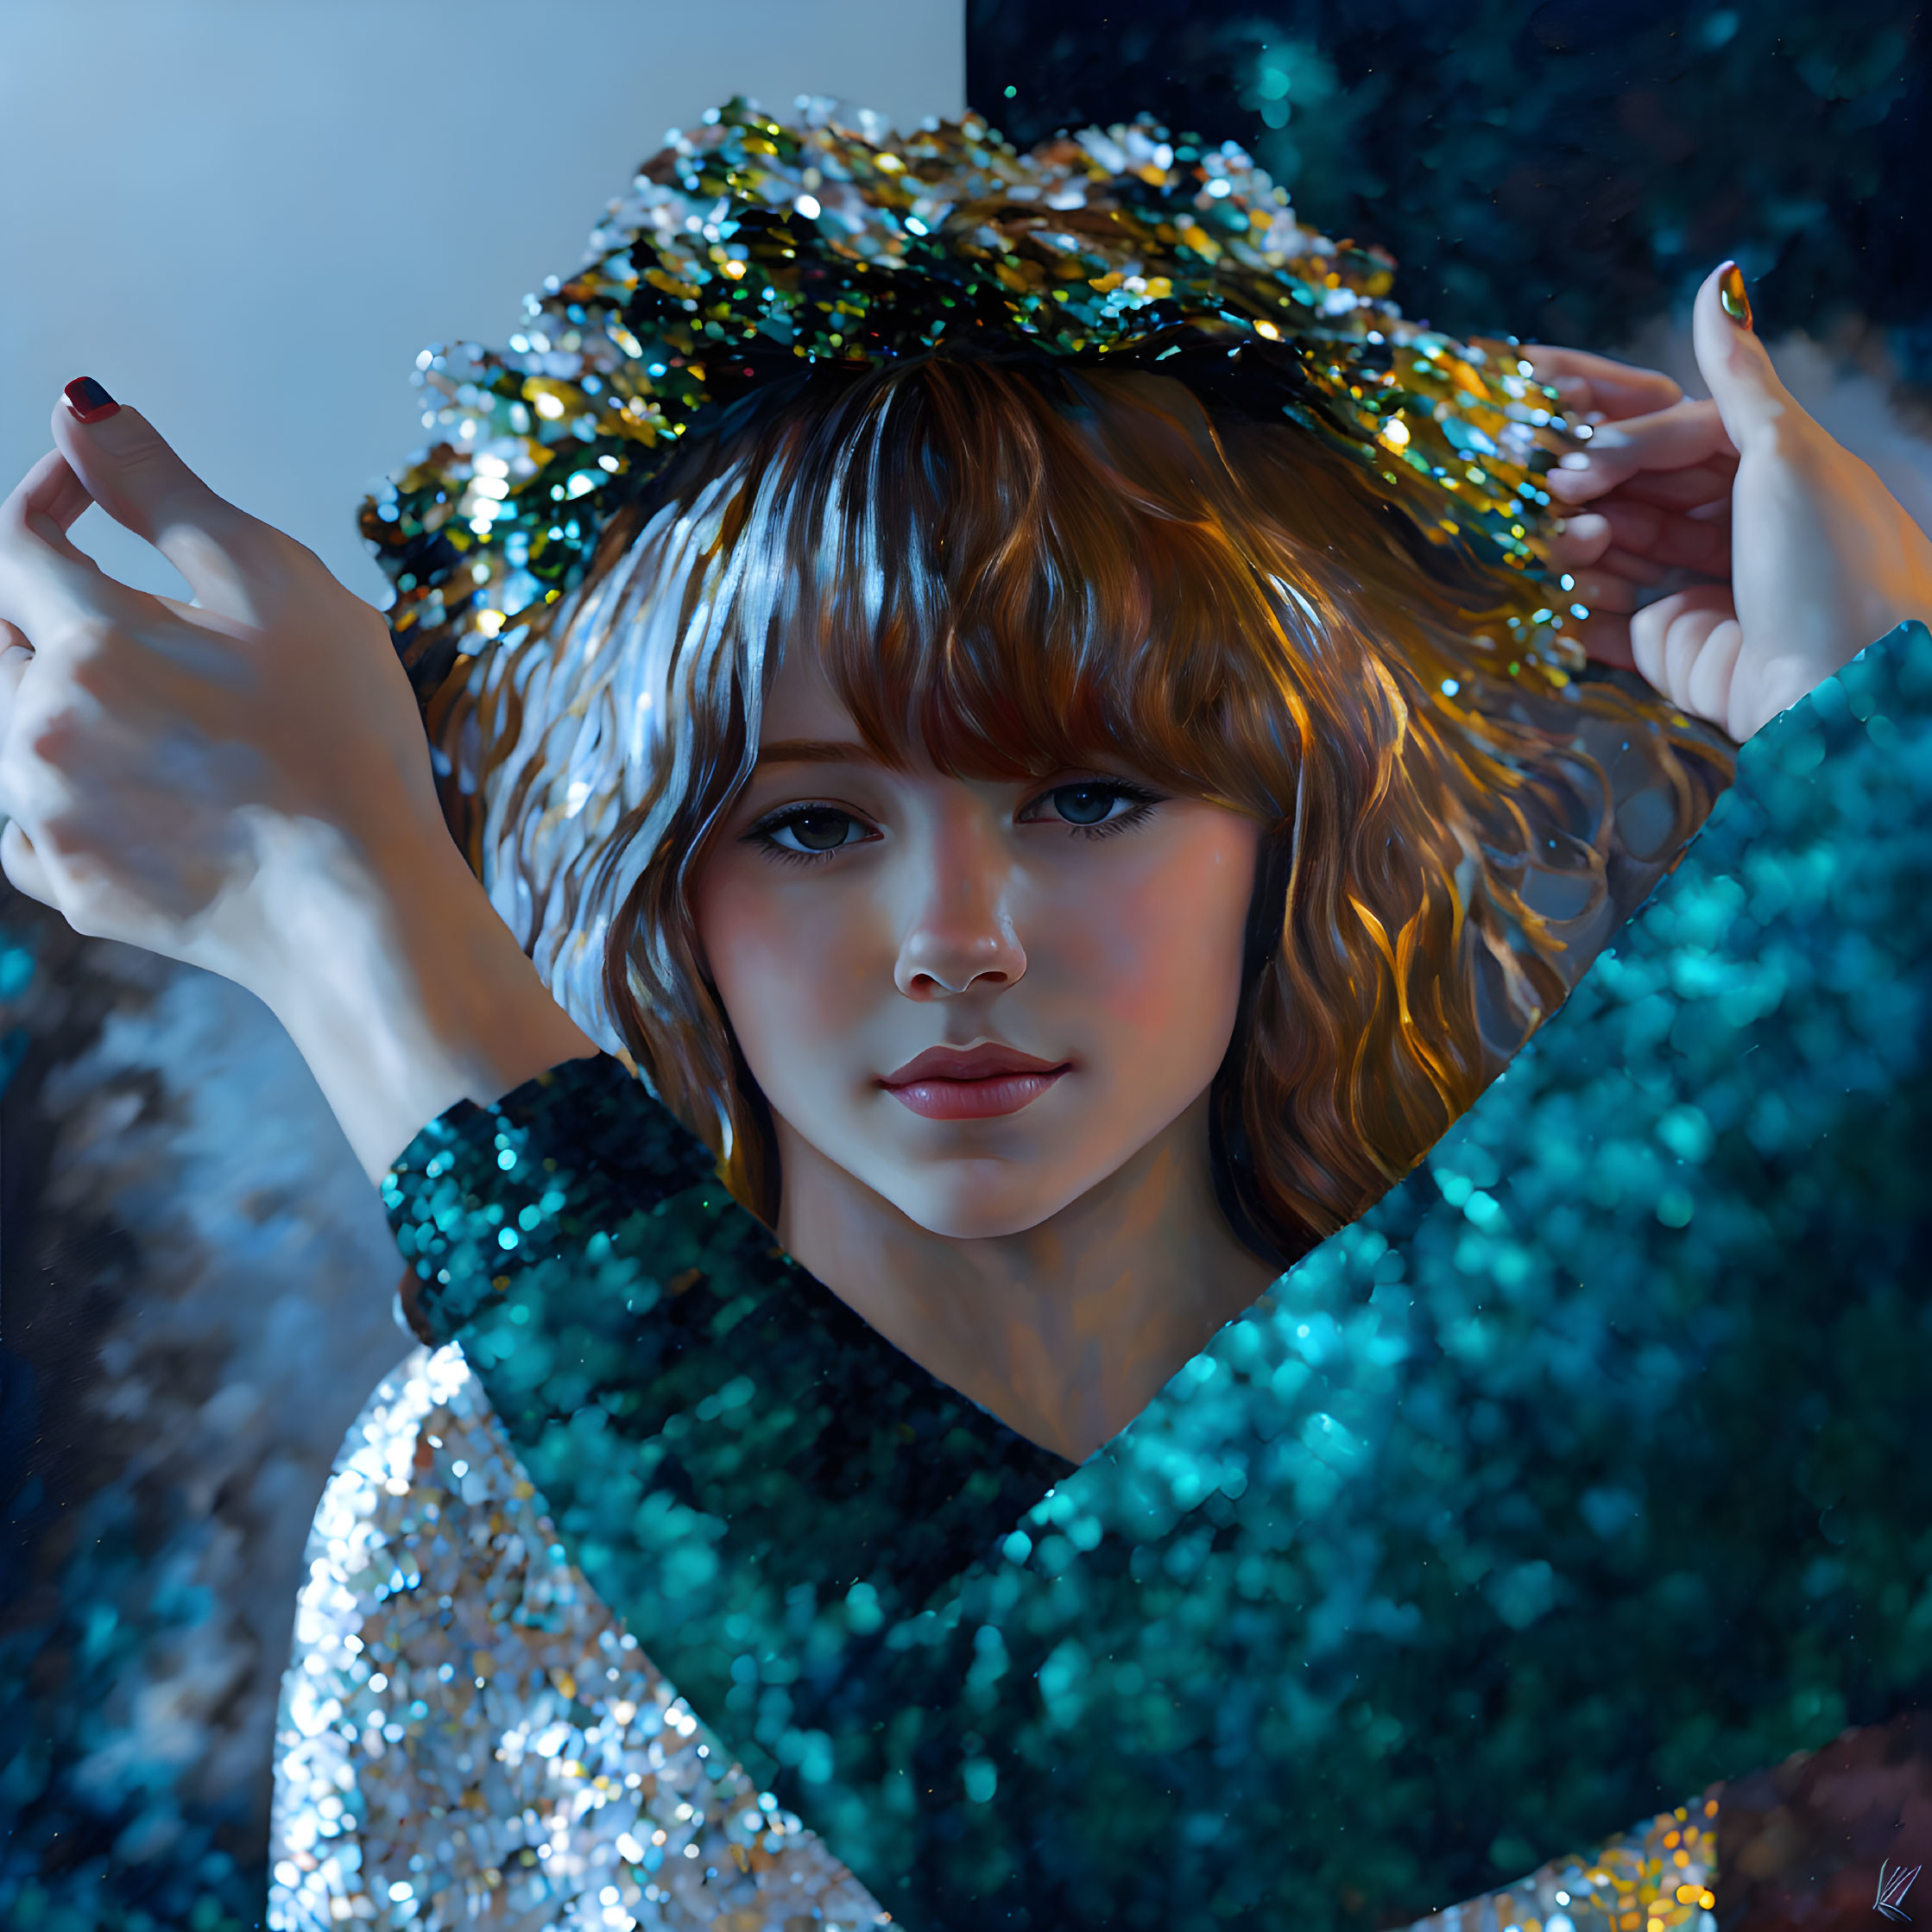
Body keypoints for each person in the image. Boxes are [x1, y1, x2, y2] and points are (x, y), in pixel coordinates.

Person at [2, 99, 1928, 1932]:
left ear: (1291, 837)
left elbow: (1046, 1796)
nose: (956, 942)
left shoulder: (1539, 1423)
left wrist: (348, 903)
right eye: (815, 823)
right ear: (668, 879)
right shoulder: (472, 1493)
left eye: (1086, 797)